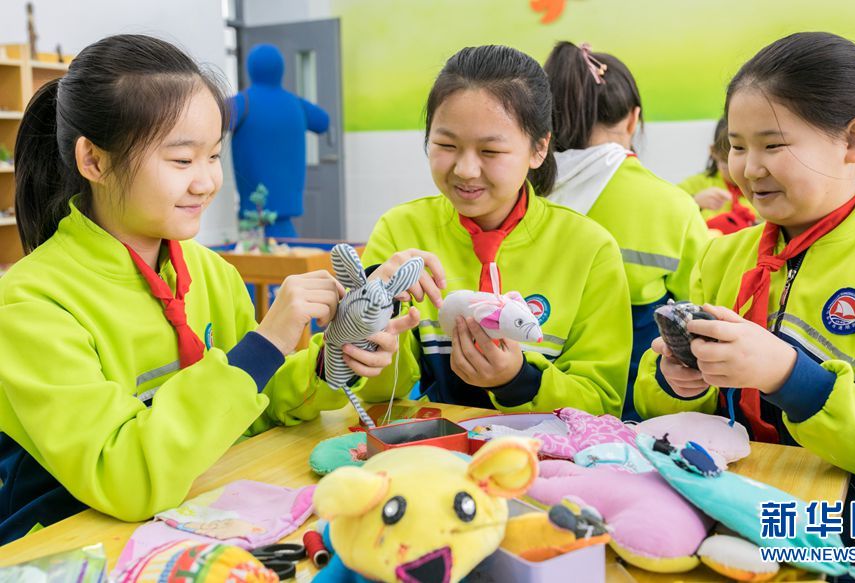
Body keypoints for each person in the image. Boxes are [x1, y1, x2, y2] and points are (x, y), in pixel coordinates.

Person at [0, 34, 413, 543]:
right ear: (95, 161)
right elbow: (124, 475)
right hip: (75, 543)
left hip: (203, 519)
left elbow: (259, 398)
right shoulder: (30, 302)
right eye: (181, 160)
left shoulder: (209, 270)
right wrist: (265, 343)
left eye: (213, 155)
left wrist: (333, 359)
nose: (206, 182)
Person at [635, 32, 855, 581]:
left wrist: (791, 376)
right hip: (736, 521)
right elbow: (666, 412)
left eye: (773, 145)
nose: (749, 168)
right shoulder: (723, 255)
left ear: (853, 141)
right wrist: (675, 381)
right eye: (738, 146)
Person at [357, 45, 632, 415]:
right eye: (446, 145)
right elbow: (375, 394)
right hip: (431, 446)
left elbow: (602, 403)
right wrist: (375, 309)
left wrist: (519, 381)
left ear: (539, 149)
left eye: (490, 152)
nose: (466, 170)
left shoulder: (590, 249)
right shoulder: (399, 231)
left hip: (541, 451)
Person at [543, 41, 708, 420]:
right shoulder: (672, 205)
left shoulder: (516, 193)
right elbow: (702, 308)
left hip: (522, 403)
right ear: (633, 120)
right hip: (633, 412)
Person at [230, 44, 329, 238]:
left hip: (255, 215)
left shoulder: (243, 103)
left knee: (257, 253)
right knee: (286, 250)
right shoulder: (296, 103)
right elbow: (323, 121)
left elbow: (210, 117)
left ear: (251, 69)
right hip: (285, 215)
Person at [679, 117, 758, 234]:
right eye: (726, 162)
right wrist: (694, 202)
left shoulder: (764, 187)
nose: (734, 170)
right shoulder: (695, 184)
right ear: (714, 152)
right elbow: (666, 212)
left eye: (743, 162)